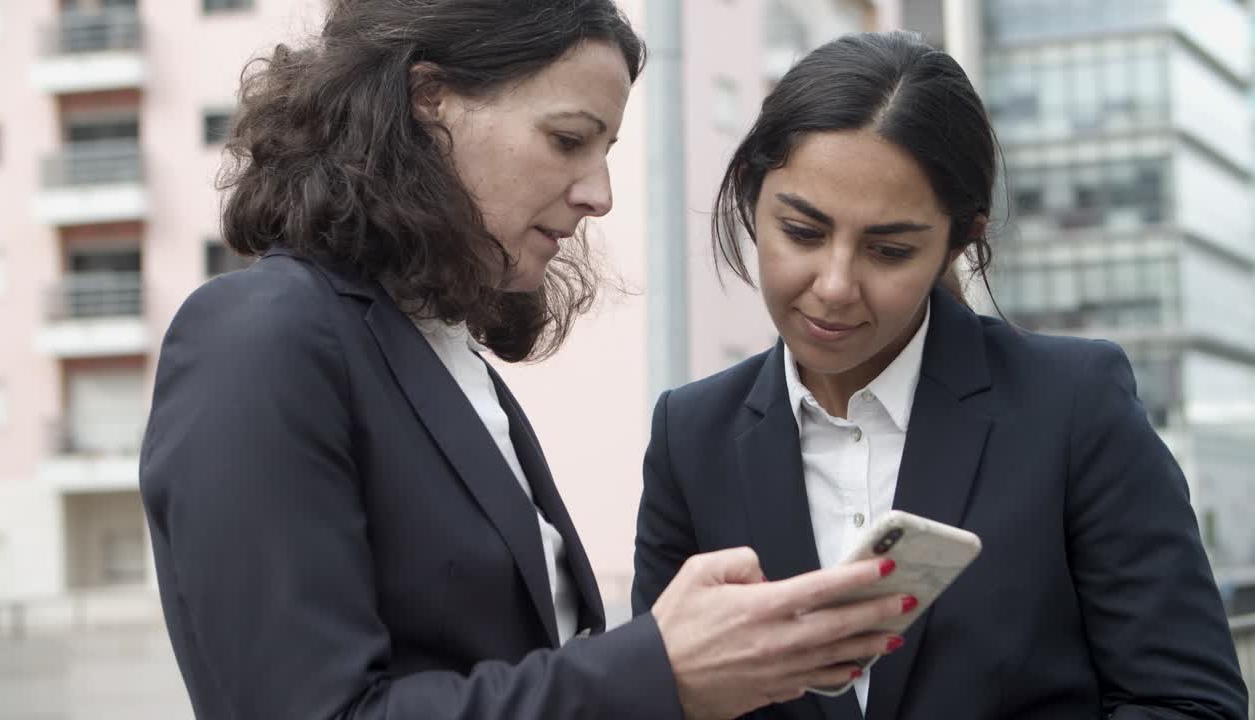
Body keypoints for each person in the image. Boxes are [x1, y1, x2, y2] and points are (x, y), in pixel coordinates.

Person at [138, 3, 918, 719]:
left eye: (606, 149)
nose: (599, 193)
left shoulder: (444, 352)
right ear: (427, 99)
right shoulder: (259, 337)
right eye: (568, 140)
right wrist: (657, 667)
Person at [631, 30, 1248, 720]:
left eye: (889, 250)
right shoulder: (689, 436)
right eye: (802, 233)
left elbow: (1190, 703)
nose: (834, 286)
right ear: (751, 197)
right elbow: (665, 699)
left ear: (961, 239)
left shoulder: (1073, 406)